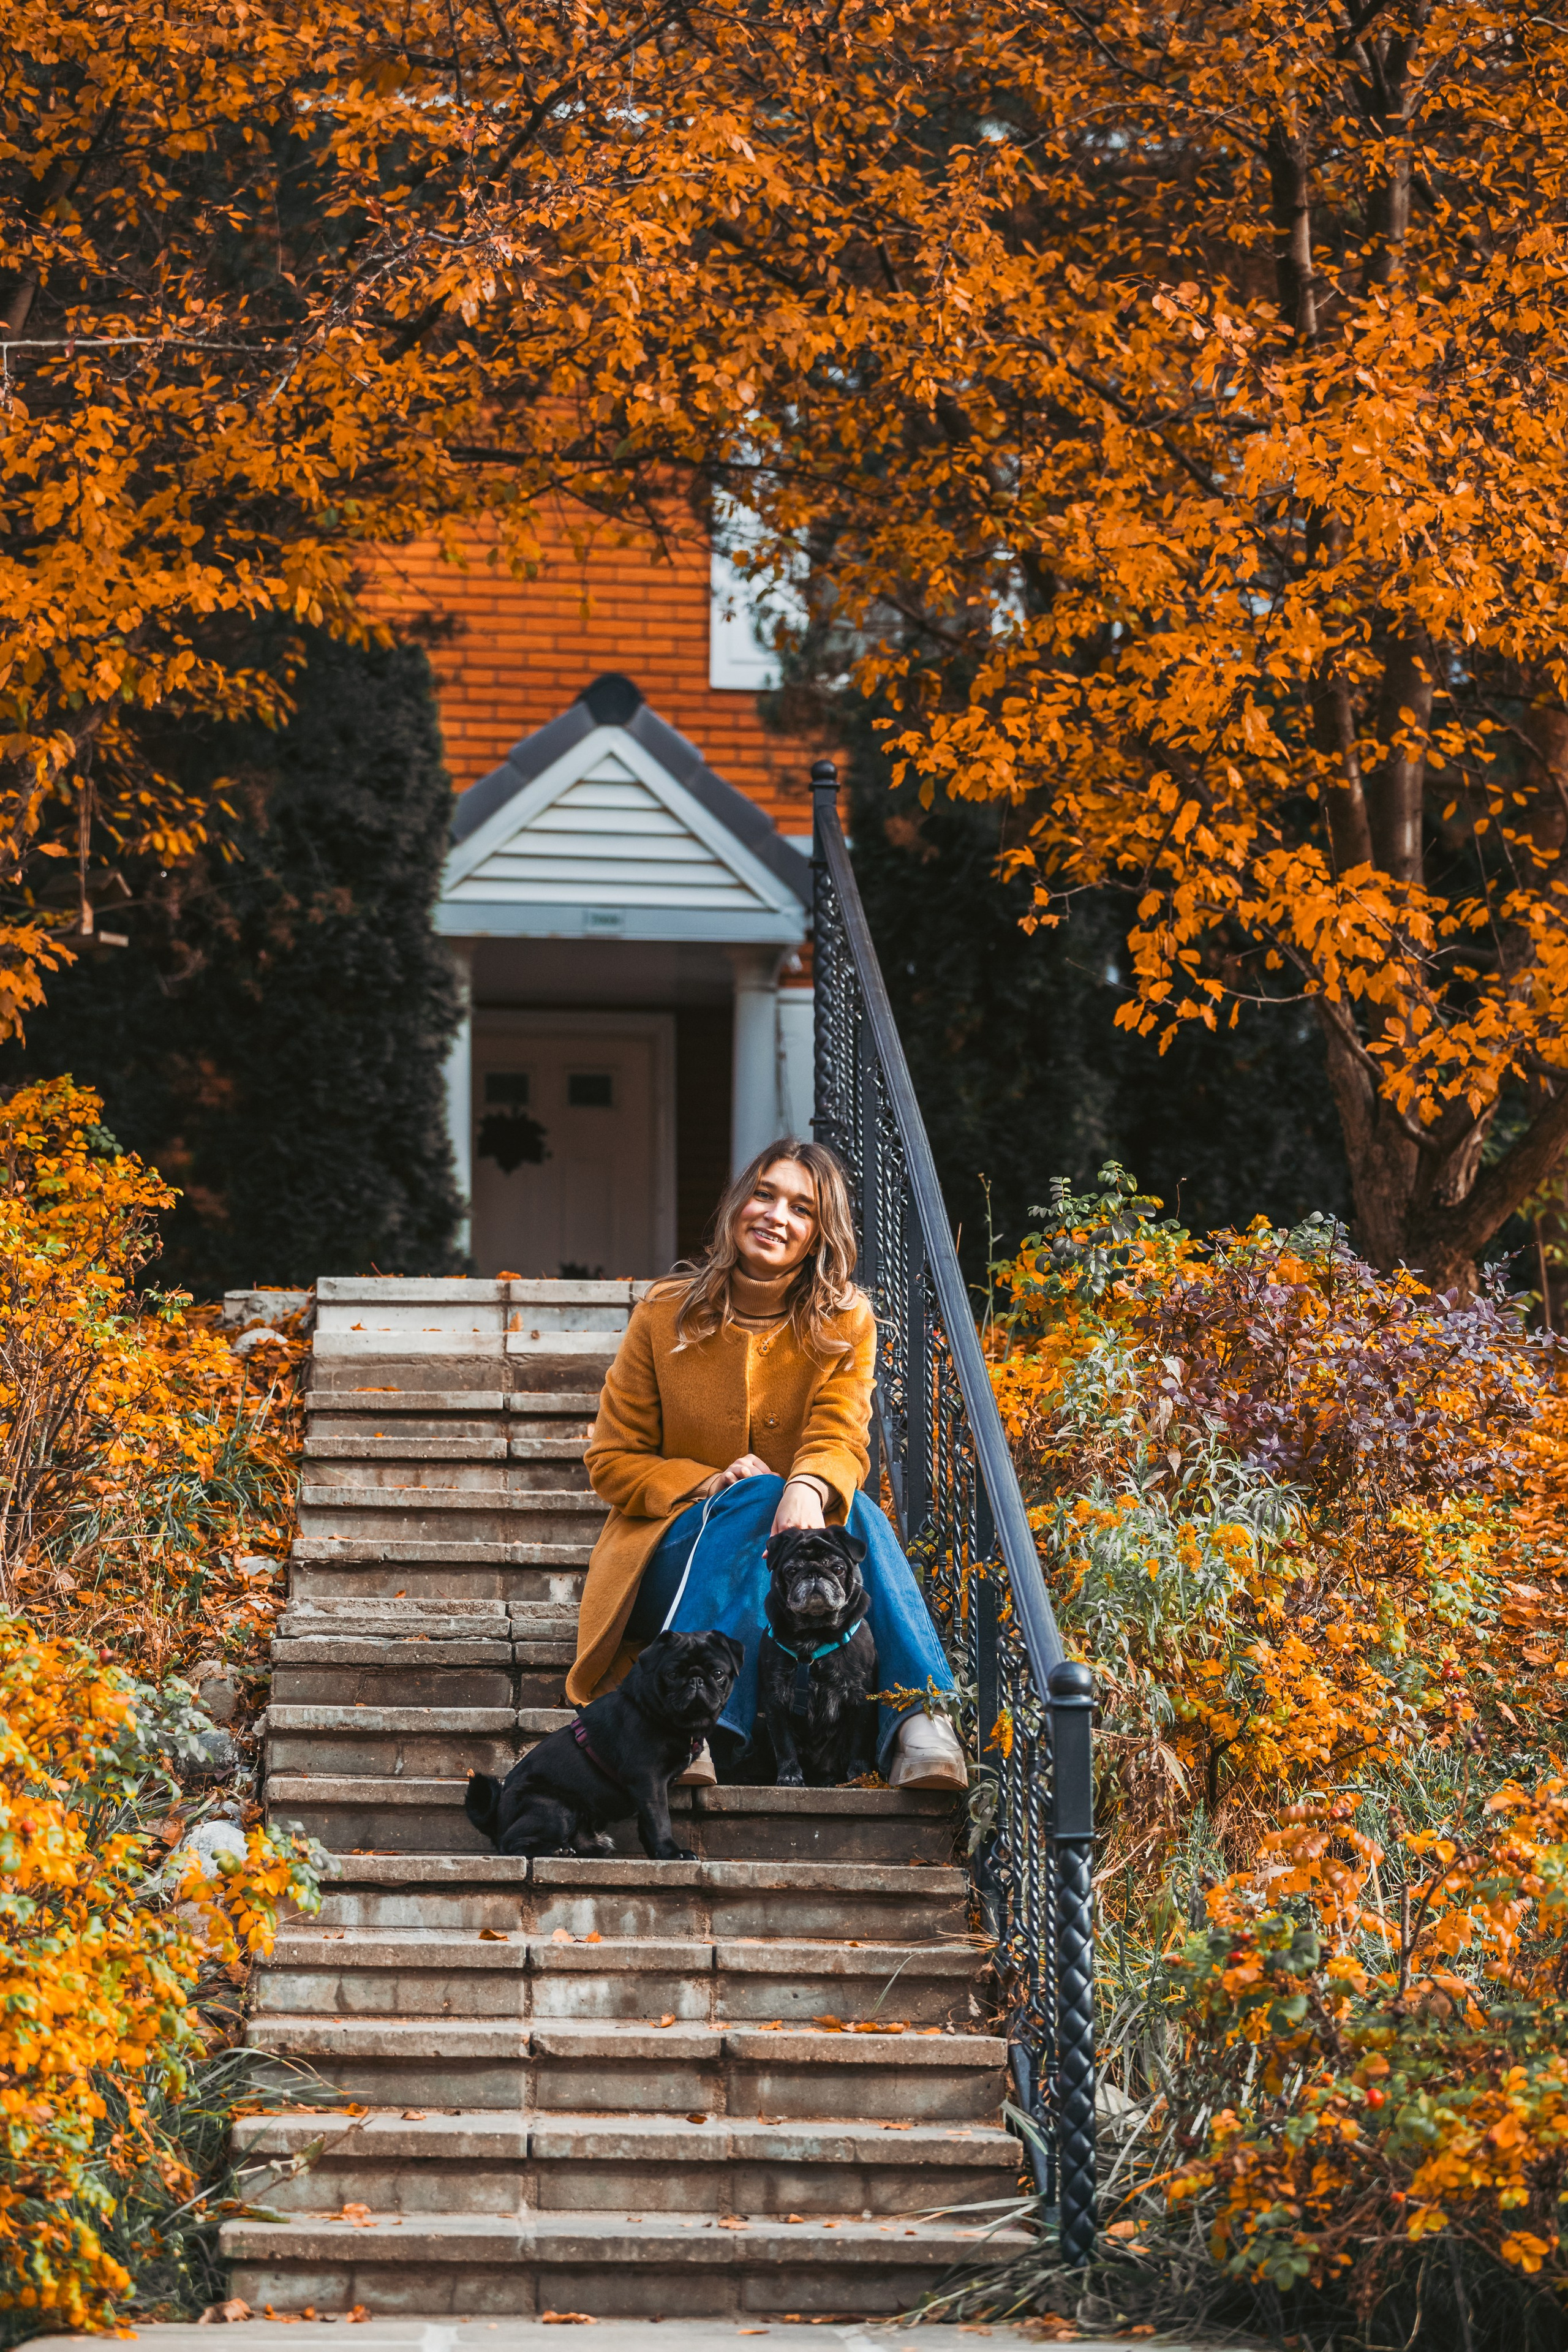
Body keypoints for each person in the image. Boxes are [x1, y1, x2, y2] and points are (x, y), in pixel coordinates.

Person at [569, 1137, 967, 1791]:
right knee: (766, 1496)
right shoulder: (664, 1312)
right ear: (735, 1207)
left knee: (852, 1509)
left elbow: (842, 1433)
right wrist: (708, 1481)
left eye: (801, 1208)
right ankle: (698, 1729)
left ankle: (921, 1720)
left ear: (818, 1234)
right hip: (669, 1562)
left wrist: (808, 1486)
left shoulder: (845, 1321)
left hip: (789, 1576)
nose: (776, 1216)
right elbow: (612, 1461)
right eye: (763, 1194)